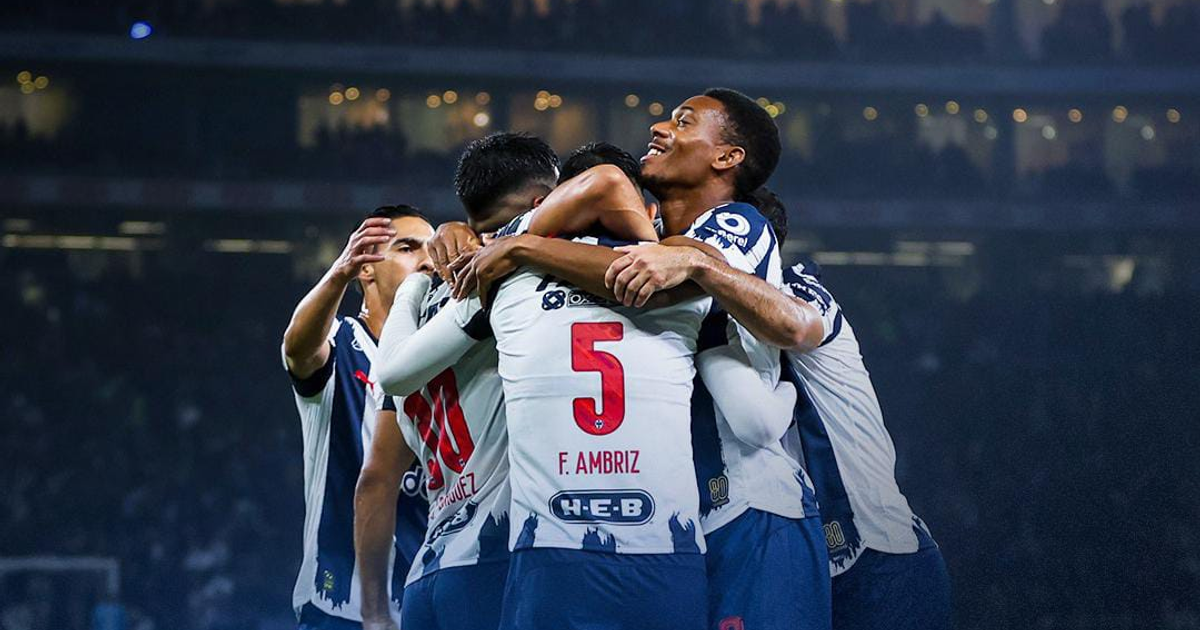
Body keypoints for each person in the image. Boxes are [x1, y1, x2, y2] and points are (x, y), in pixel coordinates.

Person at [449, 89, 833, 630]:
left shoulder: (735, 224)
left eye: (682, 121)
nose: (658, 126)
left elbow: (649, 281)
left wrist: (521, 247)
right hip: (683, 519)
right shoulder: (658, 241)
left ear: (726, 157)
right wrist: (464, 231)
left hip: (753, 506)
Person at [365, 133, 560, 630]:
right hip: (492, 559)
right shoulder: (511, 283)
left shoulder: (412, 318)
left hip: (429, 569)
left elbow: (378, 475)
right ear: (543, 202)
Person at [759, 191, 953, 630]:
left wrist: (697, 263)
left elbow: (792, 324)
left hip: (882, 560)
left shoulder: (801, 291)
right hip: (804, 567)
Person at [281, 206, 433, 630]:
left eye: (432, 250)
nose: (426, 261)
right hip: (340, 607)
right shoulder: (343, 342)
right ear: (366, 269)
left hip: (428, 601)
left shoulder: (443, 357)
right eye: (407, 248)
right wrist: (337, 274)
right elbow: (298, 348)